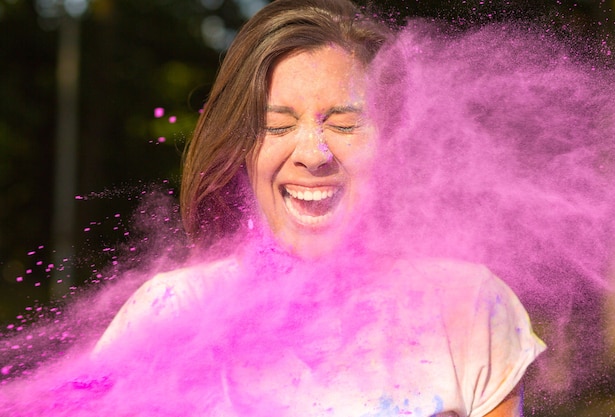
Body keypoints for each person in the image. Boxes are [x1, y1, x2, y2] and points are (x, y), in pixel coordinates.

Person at [93, 0, 545, 416]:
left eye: (347, 124)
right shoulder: (170, 313)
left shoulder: (468, 307)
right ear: (241, 151)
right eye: (277, 125)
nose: (313, 153)